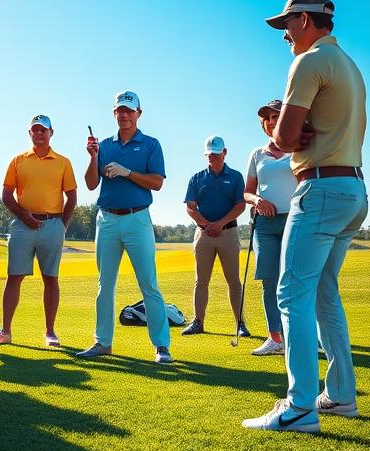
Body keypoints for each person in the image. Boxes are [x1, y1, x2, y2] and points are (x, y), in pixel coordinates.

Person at [243, 0, 367, 434]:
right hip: (352, 187)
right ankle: (340, 394)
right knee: (323, 294)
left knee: (291, 294)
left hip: (319, 187)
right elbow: (293, 135)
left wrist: (285, 132)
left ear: (308, 20)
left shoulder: (309, 60)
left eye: (288, 24)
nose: (284, 35)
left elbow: (286, 134)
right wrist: (290, 134)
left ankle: (299, 407)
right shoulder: (348, 65)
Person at [77, 91, 172, 364]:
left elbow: (157, 182)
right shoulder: (104, 145)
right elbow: (91, 184)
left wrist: (127, 172)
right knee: (104, 285)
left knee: (149, 284)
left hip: (137, 218)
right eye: (120, 110)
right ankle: (102, 342)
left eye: (129, 111)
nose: (125, 115)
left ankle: (161, 345)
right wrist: (92, 157)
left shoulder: (151, 144)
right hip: (106, 220)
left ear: (139, 113)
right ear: (114, 113)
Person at [0, 115, 77, 347]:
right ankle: (6, 331)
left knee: (50, 278)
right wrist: (24, 216)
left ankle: (50, 332)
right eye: (35, 130)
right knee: (14, 277)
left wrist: (63, 225)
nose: (39, 133)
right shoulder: (18, 160)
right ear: (30, 133)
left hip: (52, 225)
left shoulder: (63, 162)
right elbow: (6, 195)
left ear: (51, 133)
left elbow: (71, 197)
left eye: (44, 130)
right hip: (23, 225)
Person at [243, 100, 297, 356]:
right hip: (264, 224)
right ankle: (275, 338)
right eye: (268, 118)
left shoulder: (298, 148)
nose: (272, 121)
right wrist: (257, 201)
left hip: (295, 219)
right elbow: (247, 192)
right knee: (269, 280)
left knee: (296, 279)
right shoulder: (257, 154)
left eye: (277, 116)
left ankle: (301, 336)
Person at [182, 136, 247, 337]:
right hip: (203, 234)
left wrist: (219, 224)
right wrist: (205, 224)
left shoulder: (235, 177)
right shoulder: (197, 178)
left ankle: (240, 324)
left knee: (233, 281)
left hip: (228, 233)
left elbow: (240, 205)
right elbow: (190, 207)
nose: (213, 159)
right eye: (210, 155)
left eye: (216, 155)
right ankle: (198, 321)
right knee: (201, 281)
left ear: (224, 153)